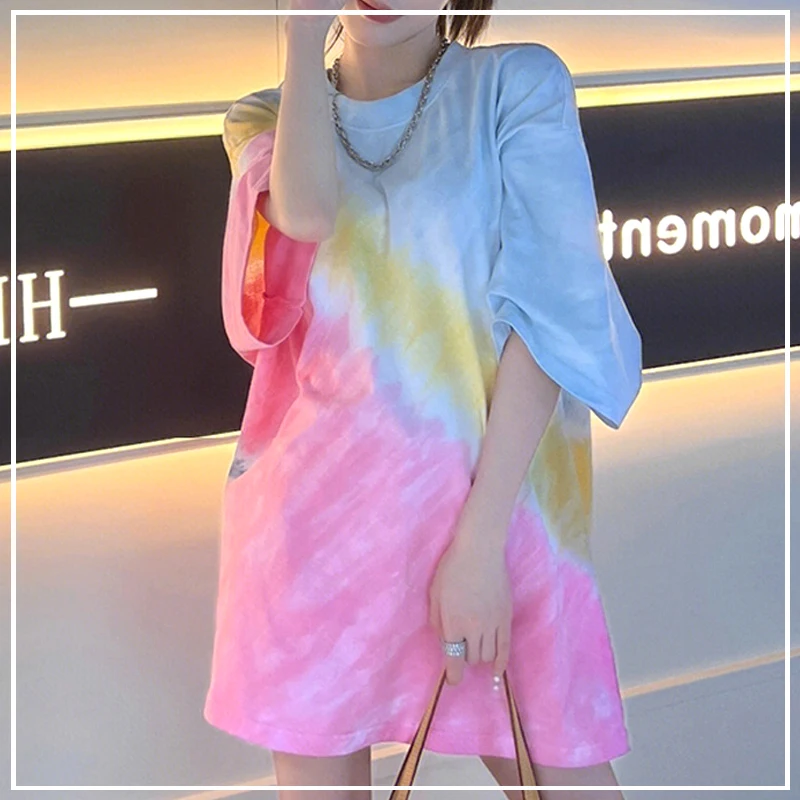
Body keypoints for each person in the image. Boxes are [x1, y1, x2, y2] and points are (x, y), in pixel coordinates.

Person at [203, 1, 643, 798]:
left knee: (567, 773)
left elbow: (550, 315)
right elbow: (305, 218)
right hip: (314, 534)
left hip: (496, 519)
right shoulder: (265, 116)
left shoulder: (516, 85)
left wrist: (479, 546)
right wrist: (301, 34)